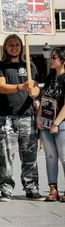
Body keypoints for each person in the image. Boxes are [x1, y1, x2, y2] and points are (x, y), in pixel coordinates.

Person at [0, 35, 43, 202]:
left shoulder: (30, 66)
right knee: (5, 155)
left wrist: (35, 93)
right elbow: (1, 87)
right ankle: (6, 189)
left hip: (27, 116)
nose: (14, 47)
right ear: (5, 48)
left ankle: (31, 188)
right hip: (6, 117)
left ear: (21, 47)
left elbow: (35, 91)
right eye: (10, 45)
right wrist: (21, 86)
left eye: (17, 45)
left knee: (30, 155)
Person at [36, 46, 65, 202]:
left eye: (54, 57)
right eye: (52, 56)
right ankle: (53, 189)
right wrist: (39, 117)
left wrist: (56, 123)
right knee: (50, 157)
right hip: (46, 123)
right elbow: (44, 99)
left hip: (61, 124)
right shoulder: (50, 77)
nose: (51, 59)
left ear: (63, 60)